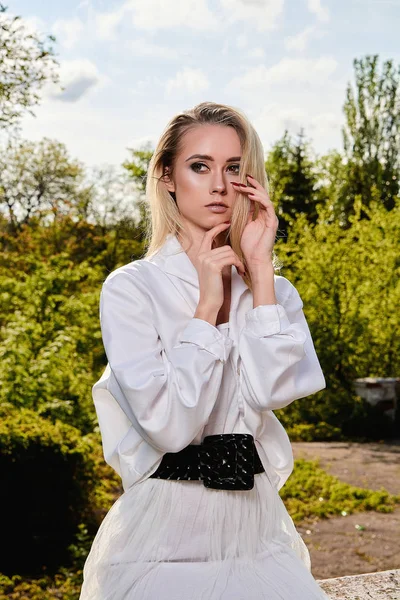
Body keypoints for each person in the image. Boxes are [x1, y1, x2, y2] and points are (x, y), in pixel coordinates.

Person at [79, 101, 329, 600]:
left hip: (254, 530)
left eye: (233, 168)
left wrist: (259, 276)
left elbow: (274, 392)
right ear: (167, 175)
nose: (219, 185)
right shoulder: (132, 288)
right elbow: (169, 428)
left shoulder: (273, 292)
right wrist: (207, 308)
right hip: (164, 534)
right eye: (200, 166)